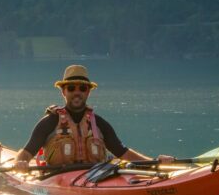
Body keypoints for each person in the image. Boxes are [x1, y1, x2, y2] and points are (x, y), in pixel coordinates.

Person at [12, 64, 173, 171]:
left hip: (96, 177)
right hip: (57, 178)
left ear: (88, 92)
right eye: (71, 88)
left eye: (82, 88)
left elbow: (123, 153)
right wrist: (20, 162)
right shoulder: (50, 122)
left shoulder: (99, 124)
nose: (77, 92)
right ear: (63, 92)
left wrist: (154, 162)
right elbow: (27, 152)